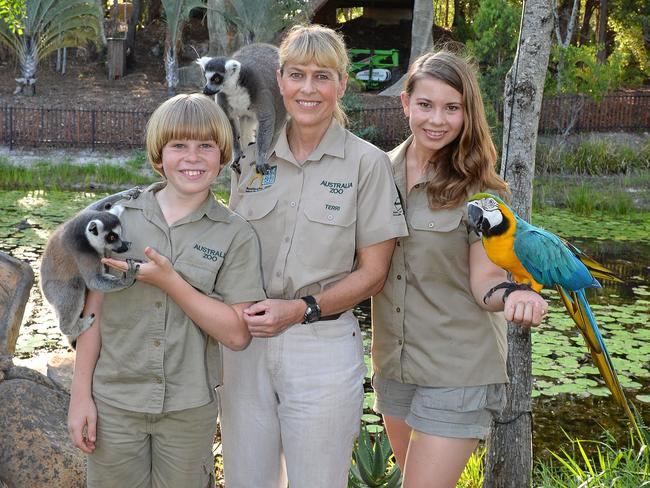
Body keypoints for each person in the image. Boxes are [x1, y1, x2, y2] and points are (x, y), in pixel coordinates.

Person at [219, 24, 409, 488]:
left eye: (322, 76)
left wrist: (302, 309)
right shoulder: (247, 158)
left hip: (320, 348)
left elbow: (374, 273)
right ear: (279, 80)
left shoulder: (369, 165)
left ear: (342, 85)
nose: (308, 89)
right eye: (298, 74)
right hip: (245, 347)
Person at [66, 93, 266, 488]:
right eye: (179, 145)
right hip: (115, 404)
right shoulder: (117, 220)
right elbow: (92, 317)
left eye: (205, 146)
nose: (192, 158)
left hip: (188, 410)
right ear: (159, 155)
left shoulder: (235, 235)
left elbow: (237, 334)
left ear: (222, 155)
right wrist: (80, 397)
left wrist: (171, 281)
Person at [371, 50, 549, 488]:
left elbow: (487, 282)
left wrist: (517, 294)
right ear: (405, 104)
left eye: (452, 108)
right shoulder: (373, 173)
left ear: (467, 113)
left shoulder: (480, 190)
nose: (437, 119)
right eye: (426, 105)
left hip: (457, 371)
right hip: (394, 365)